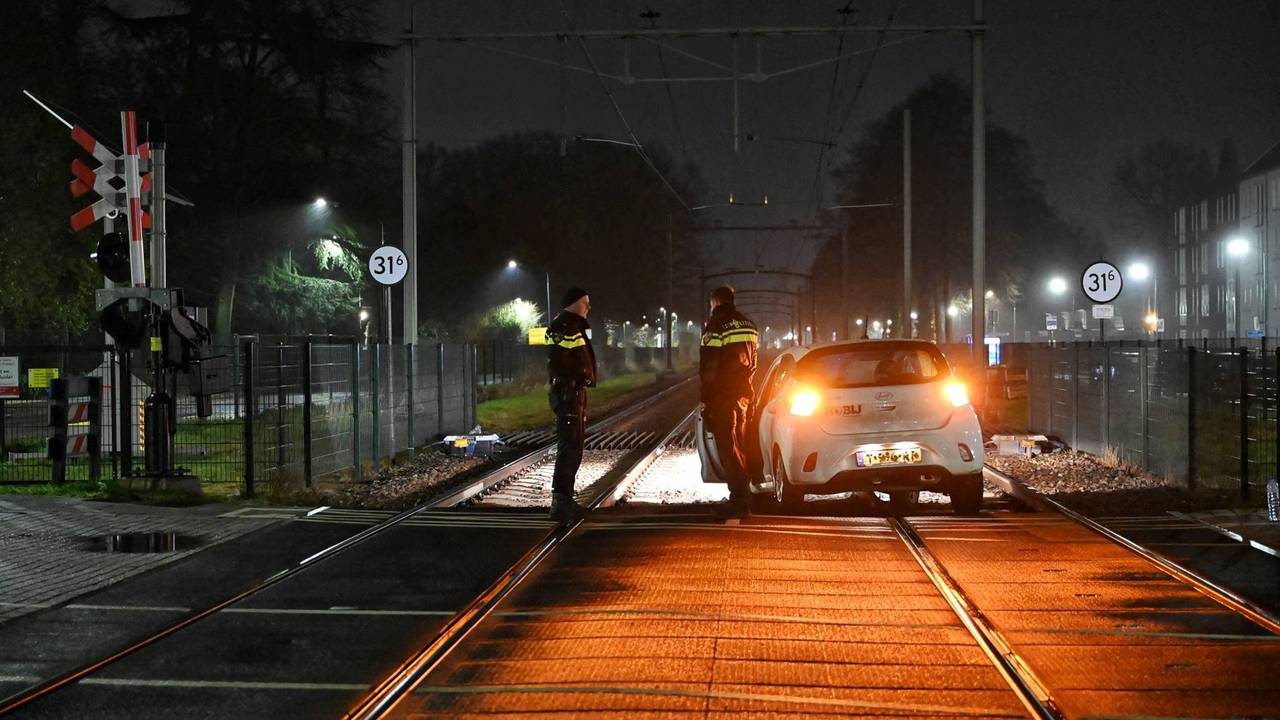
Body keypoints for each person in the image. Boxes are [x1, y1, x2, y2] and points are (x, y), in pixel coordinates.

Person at [700, 286, 759, 518]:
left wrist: (706, 399)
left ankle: (739, 499)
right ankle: (744, 496)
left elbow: (709, 367)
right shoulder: (749, 325)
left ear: (715, 302)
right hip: (743, 394)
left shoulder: (715, 327)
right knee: (739, 443)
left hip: (722, 396)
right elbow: (753, 363)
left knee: (727, 446)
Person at [545, 287, 597, 523]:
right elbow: (557, 362)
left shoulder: (574, 326)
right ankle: (560, 502)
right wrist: (568, 386)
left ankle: (566, 499)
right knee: (569, 448)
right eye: (585, 302)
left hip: (574, 393)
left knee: (574, 447)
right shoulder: (562, 327)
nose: (588, 307)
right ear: (573, 303)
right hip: (567, 394)